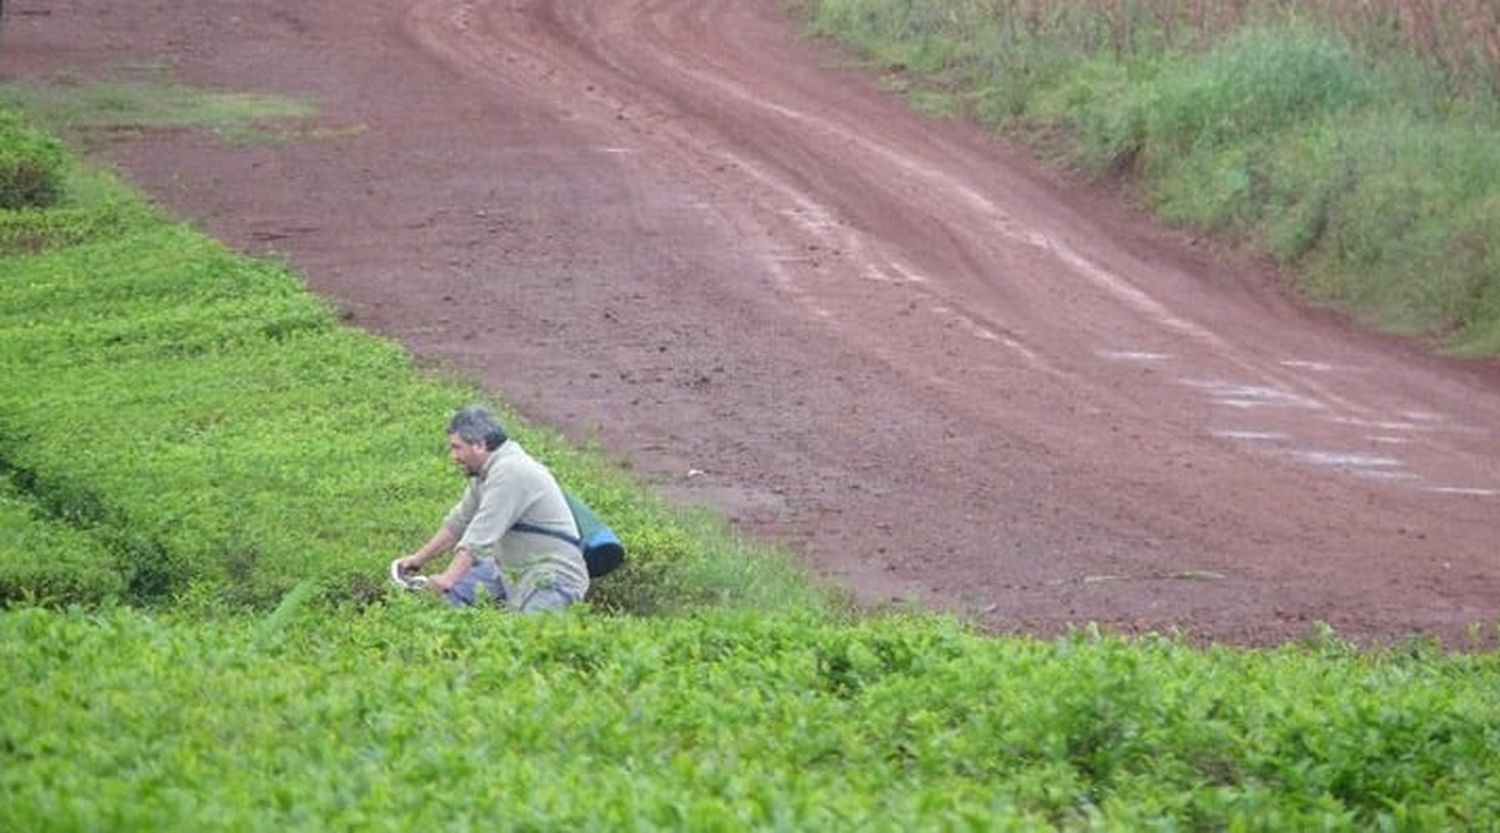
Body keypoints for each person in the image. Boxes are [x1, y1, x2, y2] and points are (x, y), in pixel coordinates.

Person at [396, 406, 589, 612]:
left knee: (525, 638)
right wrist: (417, 560)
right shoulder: (485, 473)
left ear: (480, 445)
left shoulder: (511, 471)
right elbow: (459, 522)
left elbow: (480, 536)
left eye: (457, 447)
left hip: (552, 576)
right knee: (447, 601)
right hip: (511, 569)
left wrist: (448, 578)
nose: (453, 456)